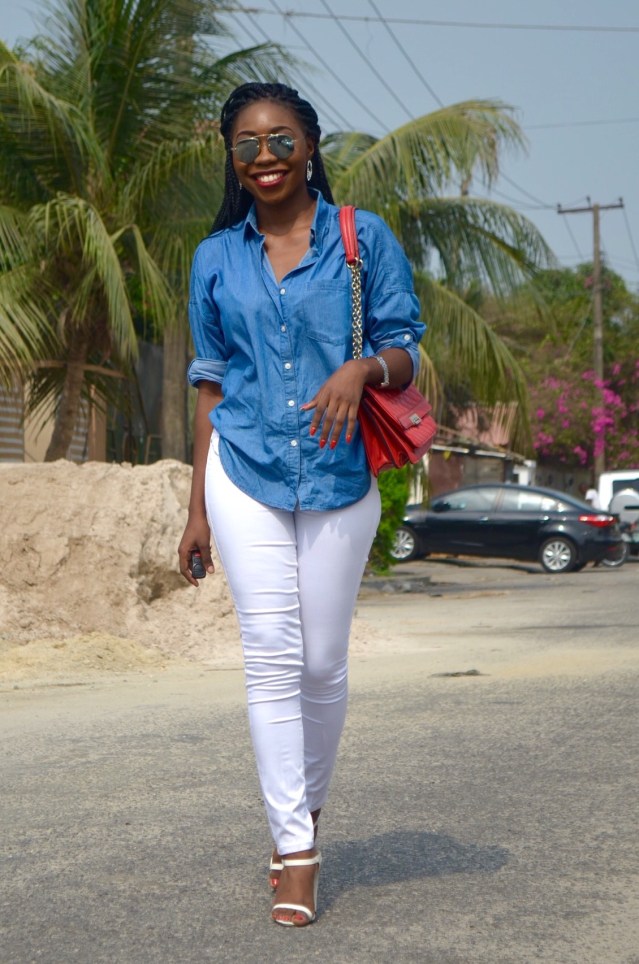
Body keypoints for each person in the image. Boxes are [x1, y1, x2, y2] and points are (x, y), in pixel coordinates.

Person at [178, 82, 425, 926]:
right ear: (231, 158)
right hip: (242, 467)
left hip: (338, 474)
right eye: (246, 144)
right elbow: (210, 385)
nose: (265, 158)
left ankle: (304, 809)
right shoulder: (215, 257)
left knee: (321, 663)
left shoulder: (361, 237)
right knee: (271, 656)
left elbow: (404, 345)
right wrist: (196, 509)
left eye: (280, 139)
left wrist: (362, 369)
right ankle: (295, 851)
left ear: (310, 145)